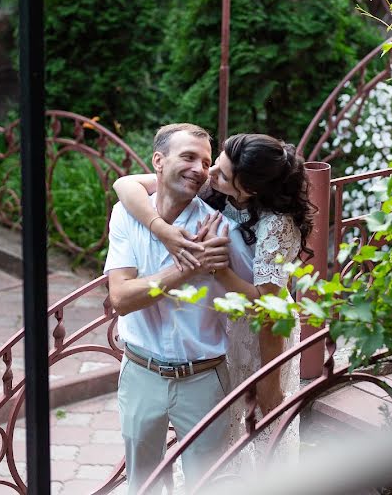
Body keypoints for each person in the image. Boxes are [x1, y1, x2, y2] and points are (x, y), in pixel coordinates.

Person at [114, 133, 314, 452]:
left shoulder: (276, 225)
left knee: (260, 431)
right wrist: (162, 230)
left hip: (261, 333)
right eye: (215, 164)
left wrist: (219, 271)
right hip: (221, 328)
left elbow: (268, 309)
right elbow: (125, 184)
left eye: (220, 173)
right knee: (221, 435)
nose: (209, 174)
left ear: (250, 189)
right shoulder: (218, 190)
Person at [105, 123, 251, 494]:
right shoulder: (125, 215)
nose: (200, 169)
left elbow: (260, 298)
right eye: (188, 157)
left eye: (205, 161)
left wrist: (219, 270)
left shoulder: (219, 229)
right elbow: (120, 299)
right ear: (158, 161)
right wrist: (185, 268)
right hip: (140, 371)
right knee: (143, 484)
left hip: (202, 377)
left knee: (206, 485)